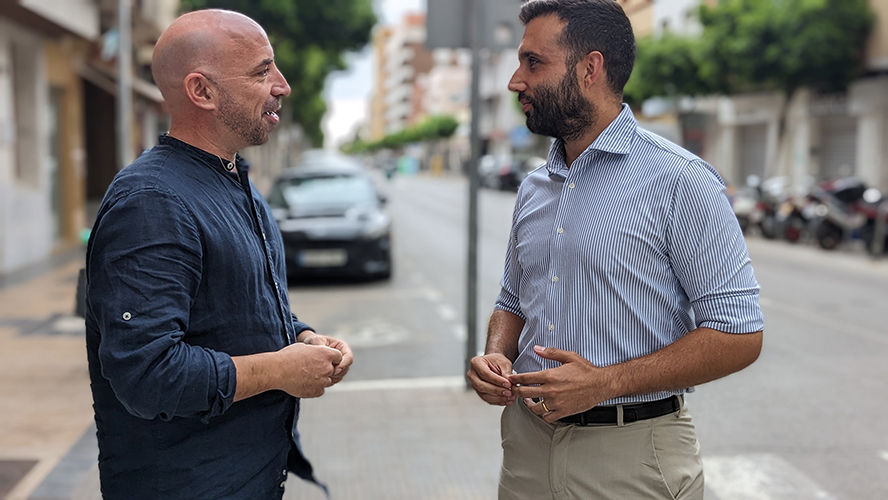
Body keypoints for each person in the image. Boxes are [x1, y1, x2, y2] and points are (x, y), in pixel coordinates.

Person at [466, 1, 764, 498]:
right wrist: (495, 355)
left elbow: (740, 335)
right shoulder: (534, 187)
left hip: (634, 457)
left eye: (533, 62)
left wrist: (606, 382)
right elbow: (512, 301)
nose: (516, 81)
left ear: (590, 68)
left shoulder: (680, 180)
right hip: (525, 450)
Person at [84, 9, 353, 499]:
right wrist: (279, 369)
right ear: (201, 91)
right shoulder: (152, 203)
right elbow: (147, 373)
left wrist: (304, 337)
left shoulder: (232, 181)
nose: (283, 85)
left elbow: (236, 308)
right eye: (261, 71)